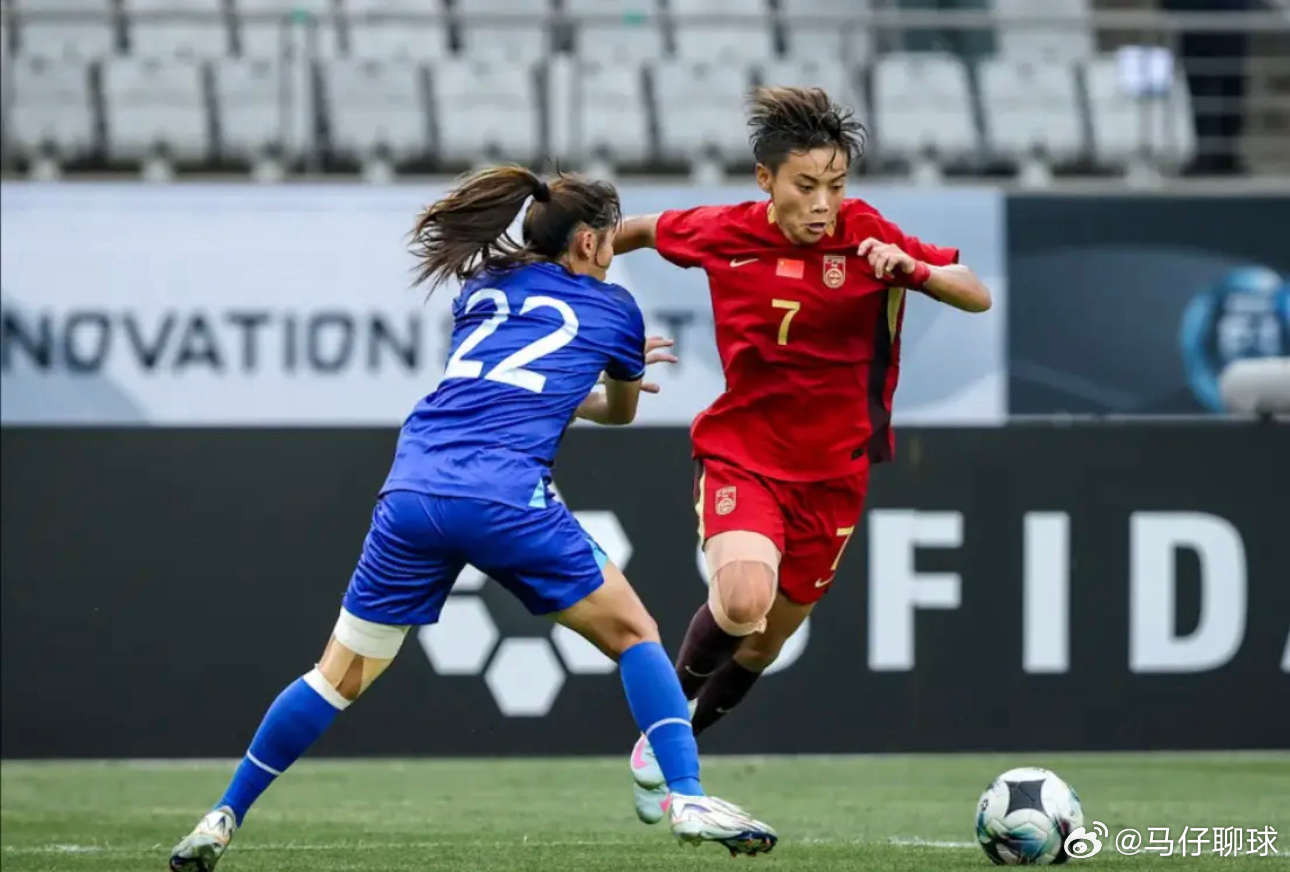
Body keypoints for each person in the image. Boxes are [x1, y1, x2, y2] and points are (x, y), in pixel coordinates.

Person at [168, 166, 778, 871]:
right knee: (636, 634)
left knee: (334, 677)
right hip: (503, 495)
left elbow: (503, 383)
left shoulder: (483, 286)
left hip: (413, 489)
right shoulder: (615, 309)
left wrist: (573, 381)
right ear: (587, 242)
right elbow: (619, 412)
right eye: (609, 238)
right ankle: (688, 796)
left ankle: (223, 814)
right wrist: (620, 374)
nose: (613, 251)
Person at [612, 87, 993, 822]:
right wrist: (571, 271)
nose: (824, 204)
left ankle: (681, 733)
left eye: (836, 186)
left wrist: (910, 270)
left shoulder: (867, 234)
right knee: (742, 600)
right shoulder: (724, 230)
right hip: (743, 454)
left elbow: (975, 293)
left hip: (834, 474)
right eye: (807, 185)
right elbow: (640, 231)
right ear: (766, 180)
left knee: (763, 645)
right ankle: (664, 730)